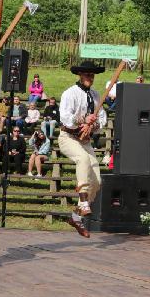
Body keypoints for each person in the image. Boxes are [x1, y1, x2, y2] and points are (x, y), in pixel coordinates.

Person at [59, 60, 107, 238]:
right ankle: (83, 200)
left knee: (97, 181)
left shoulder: (96, 96)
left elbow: (102, 120)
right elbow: (65, 118)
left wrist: (94, 124)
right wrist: (83, 119)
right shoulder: (69, 94)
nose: (90, 78)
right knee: (83, 160)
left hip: (85, 142)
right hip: (68, 137)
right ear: (80, 75)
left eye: (92, 75)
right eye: (87, 75)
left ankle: (75, 216)